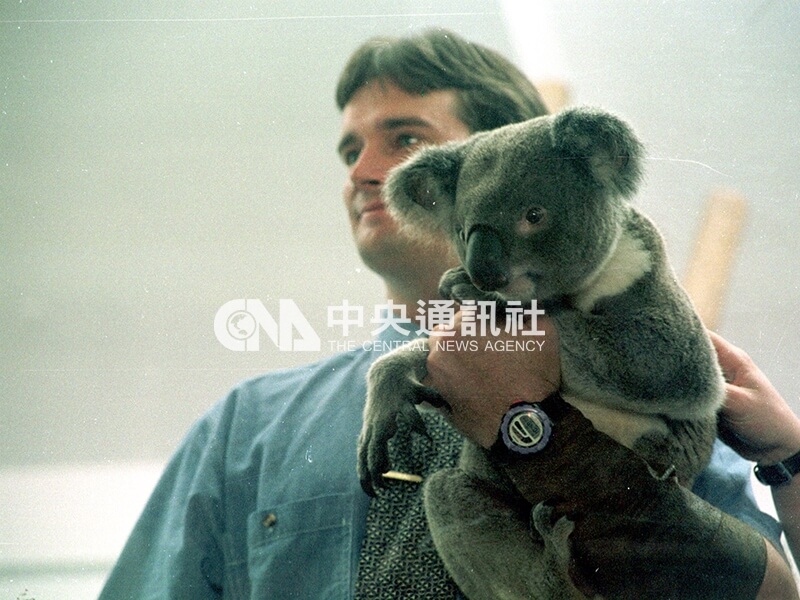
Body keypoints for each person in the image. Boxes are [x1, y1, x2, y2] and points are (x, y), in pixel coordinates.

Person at [99, 29, 799, 598]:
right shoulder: (247, 428)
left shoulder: (648, 371)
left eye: (405, 139)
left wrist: (535, 428)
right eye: (351, 149)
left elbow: (762, 591)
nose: (362, 171)